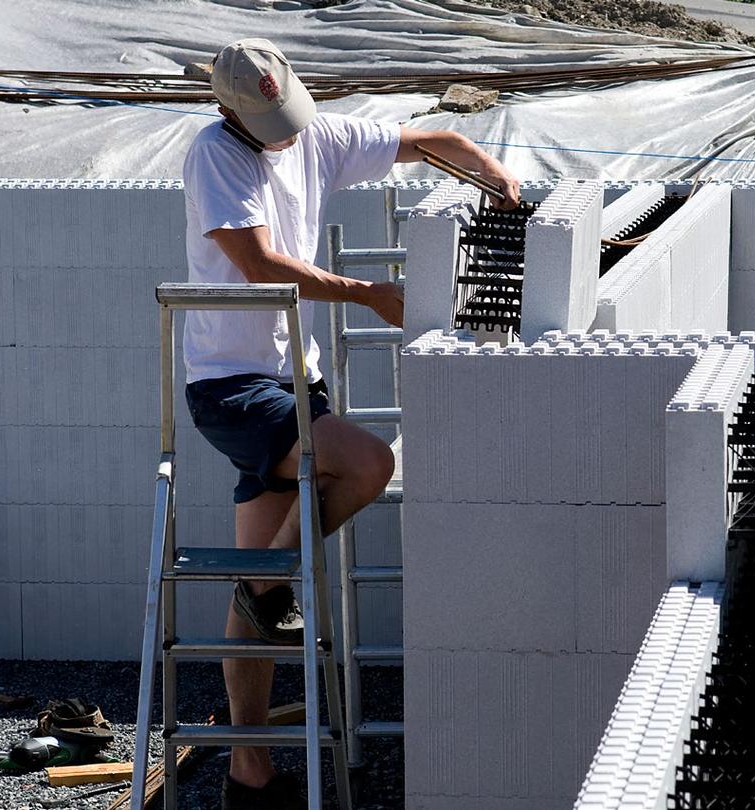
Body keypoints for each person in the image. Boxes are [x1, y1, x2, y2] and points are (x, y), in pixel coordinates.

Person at [181, 38, 521, 810]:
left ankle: (249, 772)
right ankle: (265, 593)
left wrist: (489, 171)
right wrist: (369, 293)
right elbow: (261, 264)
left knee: (260, 576)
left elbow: (428, 140)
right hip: (233, 387)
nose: (286, 129)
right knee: (368, 464)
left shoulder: (317, 136)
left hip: (292, 382)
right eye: (268, 119)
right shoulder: (216, 157)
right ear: (229, 110)